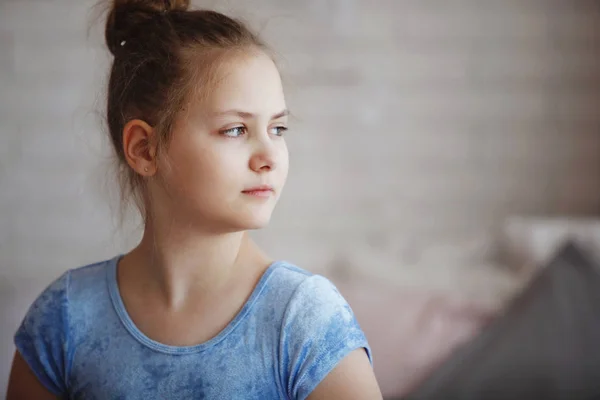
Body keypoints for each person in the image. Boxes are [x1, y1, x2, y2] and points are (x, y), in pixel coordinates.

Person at [6, 0, 382, 399]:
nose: (269, 156)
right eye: (236, 129)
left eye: (278, 128)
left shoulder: (304, 320)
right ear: (145, 149)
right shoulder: (65, 319)